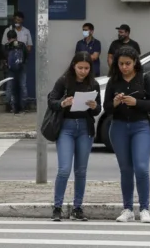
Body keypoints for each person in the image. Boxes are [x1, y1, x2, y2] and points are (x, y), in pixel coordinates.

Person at [103, 46, 150, 224]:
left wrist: (136, 102)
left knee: (141, 168)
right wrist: (115, 102)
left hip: (141, 126)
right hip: (119, 126)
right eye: (121, 64)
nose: (124, 67)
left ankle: (144, 208)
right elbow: (106, 108)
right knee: (125, 169)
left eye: (128, 63)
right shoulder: (113, 81)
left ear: (135, 62)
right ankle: (127, 209)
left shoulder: (145, 78)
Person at [48, 51, 101, 222]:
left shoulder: (93, 84)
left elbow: (97, 110)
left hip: (84, 128)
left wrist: (94, 106)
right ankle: (57, 207)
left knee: (81, 170)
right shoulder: (64, 81)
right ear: (74, 66)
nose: (83, 71)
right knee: (64, 169)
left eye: (86, 68)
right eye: (80, 67)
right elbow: (51, 100)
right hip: (66, 127)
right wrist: (63, 103)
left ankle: (77, 207)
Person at [4, 29, 28, 114]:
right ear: (16, 37)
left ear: (8, 38)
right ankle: (23, 106)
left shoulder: (6, 46)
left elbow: (4, 57)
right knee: (23, 86)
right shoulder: (22, 45)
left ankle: (9, 106)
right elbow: (26, 55)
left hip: (10, 70)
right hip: (21, 68)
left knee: (9, 87)